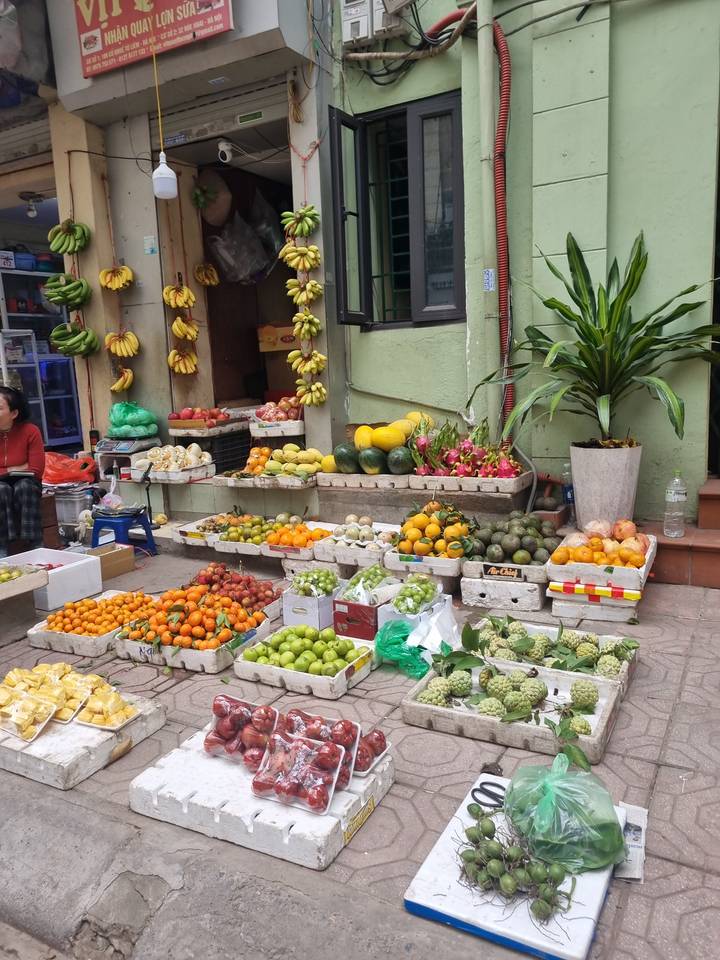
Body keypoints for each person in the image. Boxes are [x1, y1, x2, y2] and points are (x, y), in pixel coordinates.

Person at [0, 386, 45, 557]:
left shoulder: (30, 431)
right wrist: (13, 468)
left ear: (14, 414)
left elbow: (36, 469)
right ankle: (2, 547)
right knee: (1, 490)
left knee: (25, 487)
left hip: (28, 482)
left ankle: (36, 544)